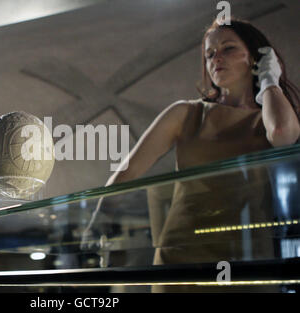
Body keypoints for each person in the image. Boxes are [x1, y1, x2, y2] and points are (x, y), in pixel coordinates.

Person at [85, 17, 300, 292]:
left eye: (228, 48)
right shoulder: (186, 113)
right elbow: (130, 170)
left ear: (257, 57)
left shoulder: (269, 117)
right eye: (209, 53)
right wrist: (99, 217)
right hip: (181, 254)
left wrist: (270, 81)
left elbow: (283, 133)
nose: (216, 59)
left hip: (247, 256)